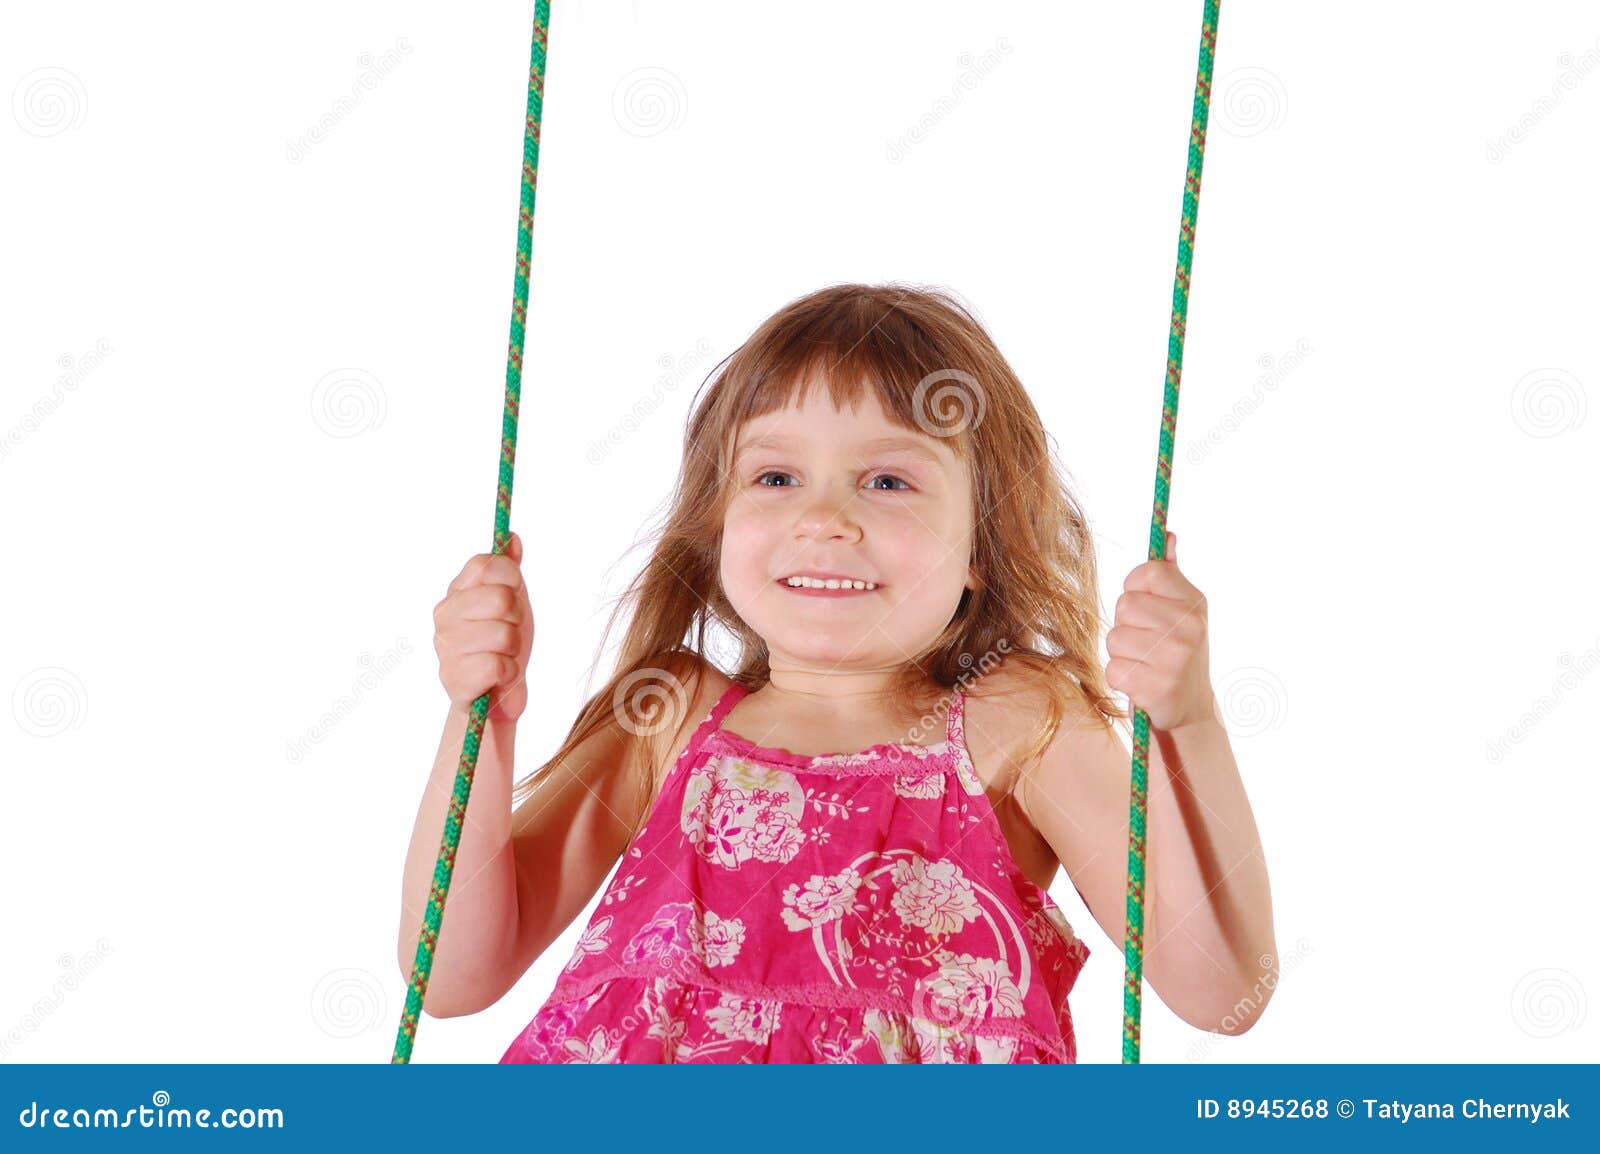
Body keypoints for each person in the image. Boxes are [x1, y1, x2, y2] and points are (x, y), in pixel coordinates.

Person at [397, 282, 1277, 1063]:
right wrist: (482, 720)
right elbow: (448, 977)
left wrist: (1188, 722)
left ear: (982, 546)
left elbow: (1220, 994)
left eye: (887, 482)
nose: (824, 518)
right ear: (715, 526)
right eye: (776, 476)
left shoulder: (1014, 724)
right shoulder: (665, 718)